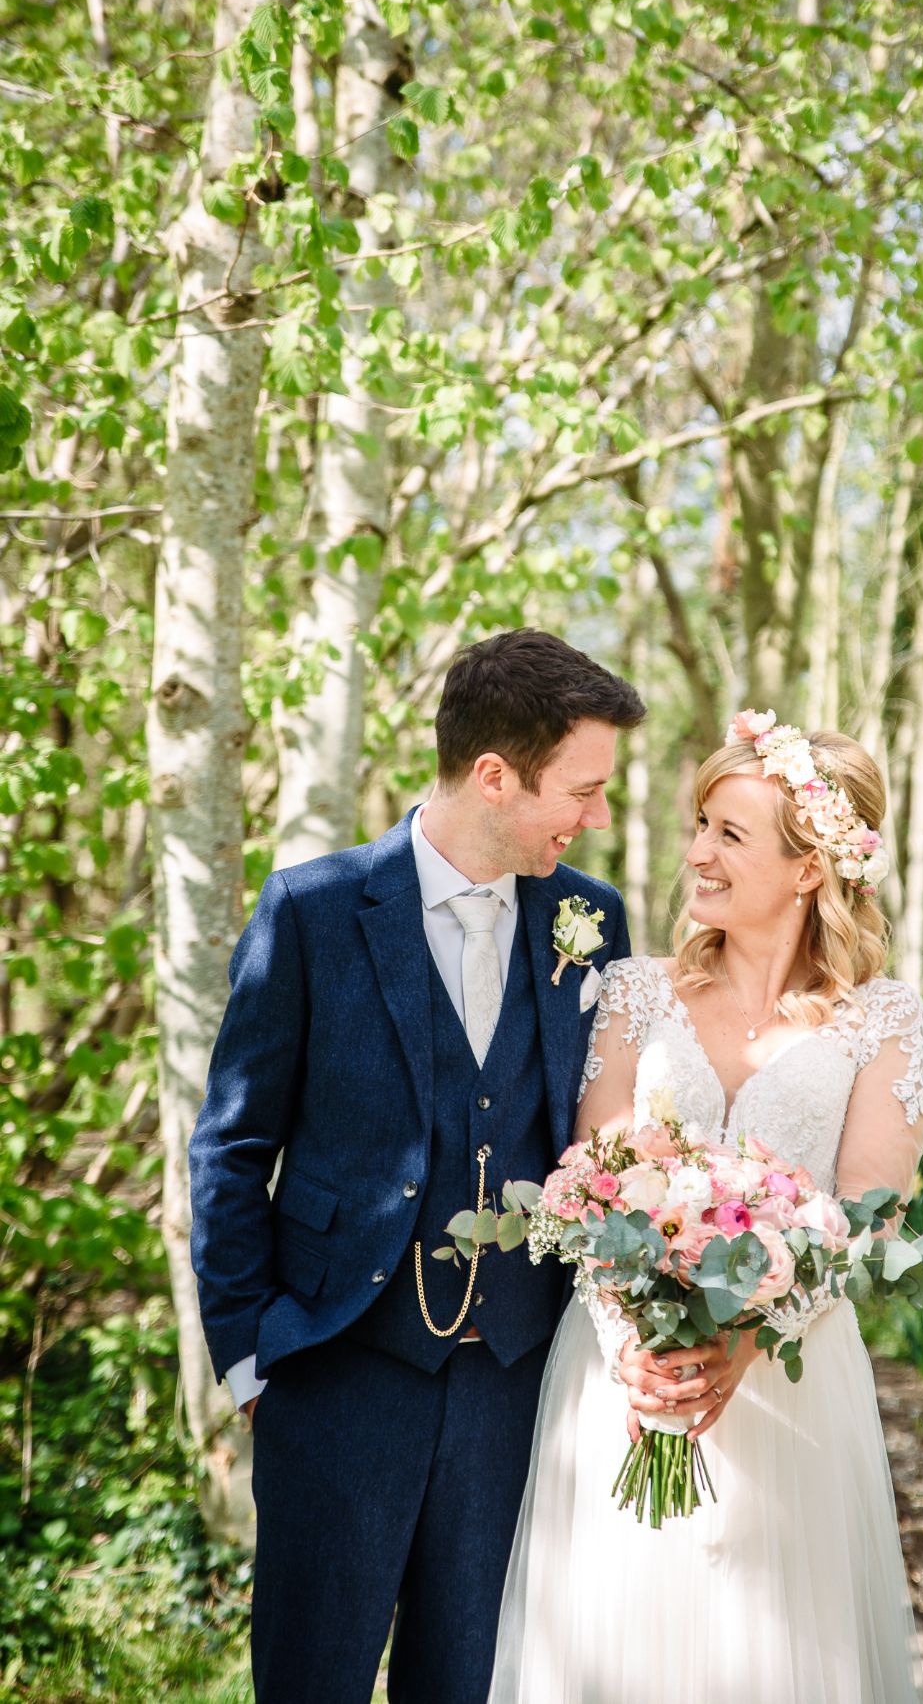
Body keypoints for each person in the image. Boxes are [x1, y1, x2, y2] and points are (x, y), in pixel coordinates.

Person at [188, 629, 645, 1704]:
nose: (597, 819)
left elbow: (607, 1141)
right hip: (337, 1372)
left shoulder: (592, 920)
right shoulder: (310, 910)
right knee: (313, 1681)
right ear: (494, 776)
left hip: (513, 1389)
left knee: (472, 1685)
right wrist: (253, 1355)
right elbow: (232, 1143)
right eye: (581, 791)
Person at [489, 715, 923, 1704]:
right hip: (623, 1377)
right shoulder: (634, 994)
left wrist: (737, 1345)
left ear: (811, 865)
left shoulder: (882, 1019)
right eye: (700, 824)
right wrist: (642, 1353)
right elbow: (595, 1177)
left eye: (729, 833)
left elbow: (865, 1215)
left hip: (790, 1382)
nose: (697, 851)